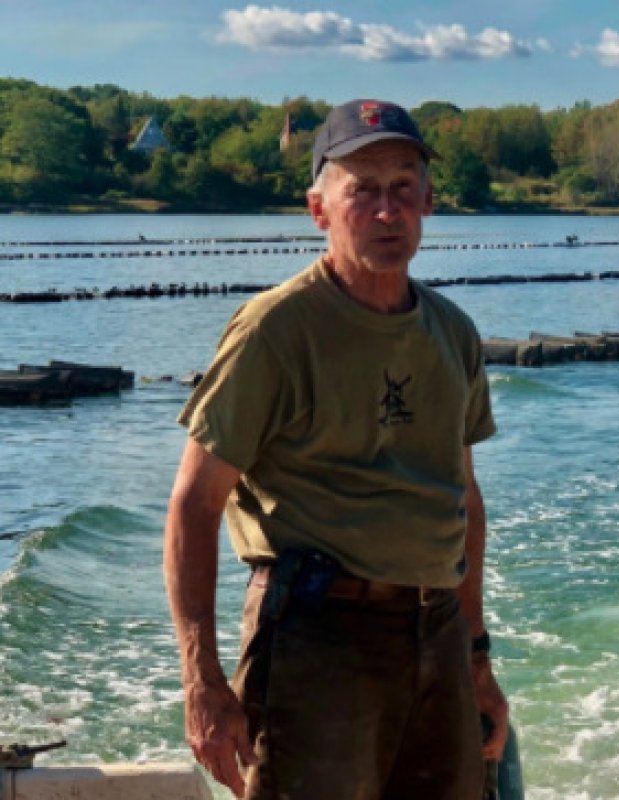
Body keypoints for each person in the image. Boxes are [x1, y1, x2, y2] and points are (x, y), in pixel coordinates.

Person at [164, 98, 508, 800]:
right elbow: (194, 506)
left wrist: (476, 661)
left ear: (429, 202)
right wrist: (201, 681)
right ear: (319, 209)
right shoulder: (276, 331)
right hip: (318, 638)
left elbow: (463, 502)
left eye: (404, 188)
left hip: (436, 631)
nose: (387, 211)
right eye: (363, 190)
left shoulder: (453, 333)